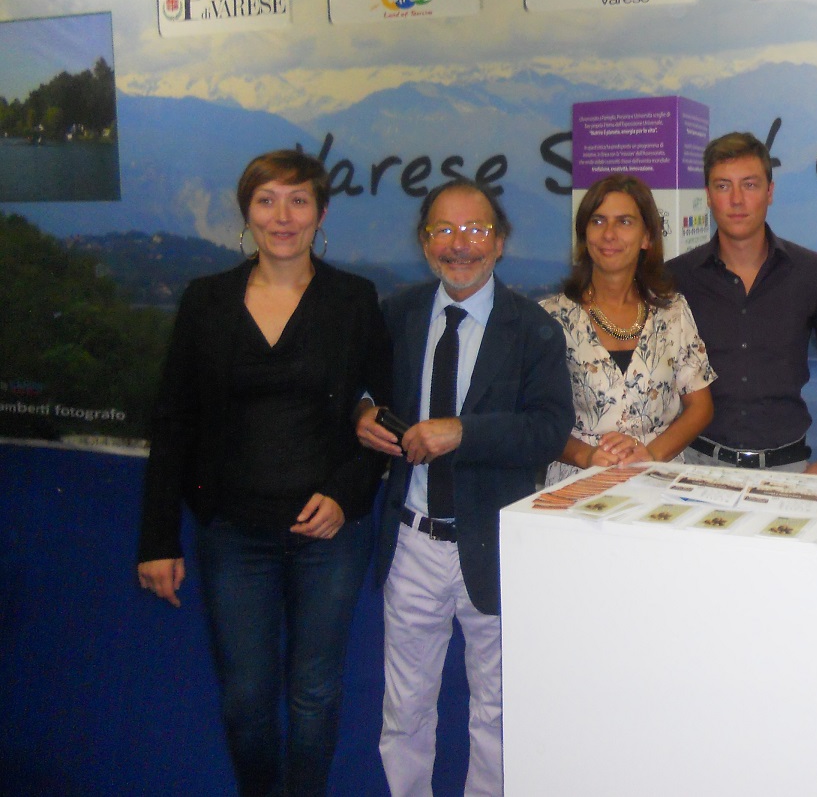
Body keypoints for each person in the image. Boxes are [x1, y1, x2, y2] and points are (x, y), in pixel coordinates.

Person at [137, 149, 391, 797]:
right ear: (246, 213)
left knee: (315, 693)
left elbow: (383, 416)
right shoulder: (206, 301)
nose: (283, 216)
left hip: (329, 533)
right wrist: (158, 539)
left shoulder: (354, 300)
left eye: (298, 200)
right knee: (245, 698)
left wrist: (345, 493)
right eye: (267, 200)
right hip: (233, 533)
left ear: (321, 213)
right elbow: (173, 421)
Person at [355, 177, 572, 797]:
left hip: (493, 545)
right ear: (425, 243)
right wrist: (361, 410)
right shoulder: (396, 315)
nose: (460, 244)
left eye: (476, 229)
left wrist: (463, 433)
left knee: (497, 713)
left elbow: (549, 429)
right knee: (404, 709)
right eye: (443, 230)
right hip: (412, 543)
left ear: (500, 242)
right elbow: (361, 386)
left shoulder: (532, 328)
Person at [668, 131, 817, 475]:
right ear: (708, 197)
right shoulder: (677, 278)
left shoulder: (812, 273)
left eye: (749, 185)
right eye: (723, 186)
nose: (737, 200)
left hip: (787, 467)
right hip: (695, 467)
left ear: (770, 192)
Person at [541, 173, 715, 483]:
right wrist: (586, 455)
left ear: (647, 237)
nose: (609, 234)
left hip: (658, 480)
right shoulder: (550, 318)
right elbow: (532, 419)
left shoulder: (673, 312)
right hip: (577, 483)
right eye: (598, 221)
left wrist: (650, 454)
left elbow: (700, 407)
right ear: (584, 235)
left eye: (624, 222)